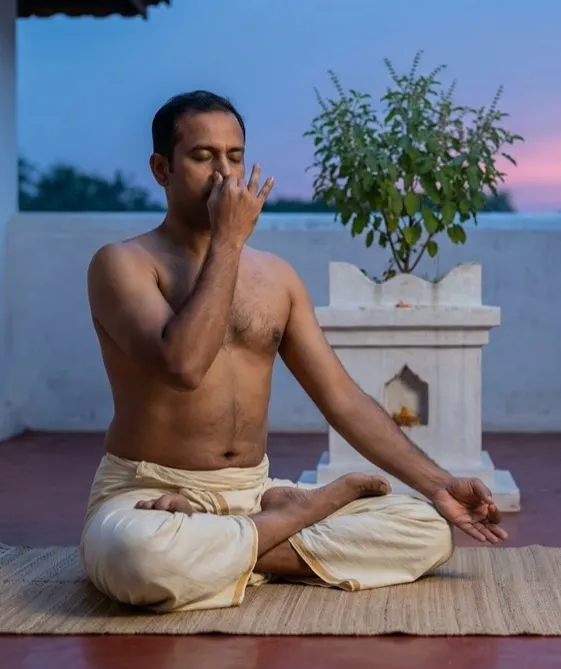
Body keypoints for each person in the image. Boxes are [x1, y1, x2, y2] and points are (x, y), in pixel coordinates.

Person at [78, 90, 508, 613]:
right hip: (152, 492)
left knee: (426, 531)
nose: (224, 174)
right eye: (202, 156)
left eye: (234, 156)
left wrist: (440, 485)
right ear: (161, 168)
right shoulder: (122, 264)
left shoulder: (276, 277)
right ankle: (287, 524)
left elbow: (341, 398)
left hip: (253, 489)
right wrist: (229, 243)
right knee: (139, 557)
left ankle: (235, 536)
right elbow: (185, 366)